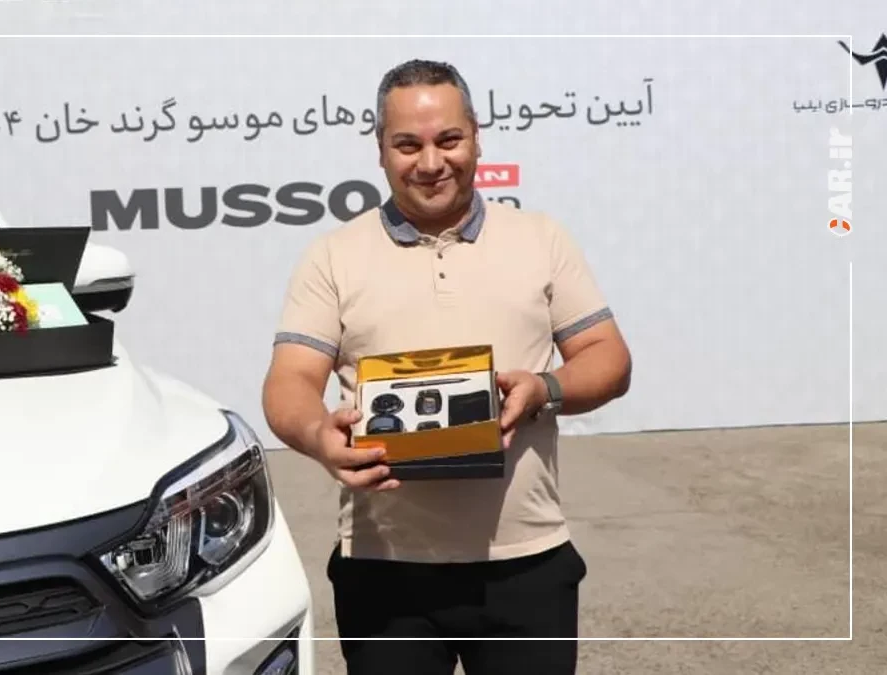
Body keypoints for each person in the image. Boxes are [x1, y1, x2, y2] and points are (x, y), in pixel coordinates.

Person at [261, 59, 632, 675]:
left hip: (526, 562)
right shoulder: (333, 256)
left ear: (477, 137)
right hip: (384, 571)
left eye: (449, 140)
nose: (431, 162)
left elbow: (609, 358)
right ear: (381, 150)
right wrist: (318, 435)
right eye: (408, 144)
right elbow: (289, 381)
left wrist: (544, 387)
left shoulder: (540, 238)